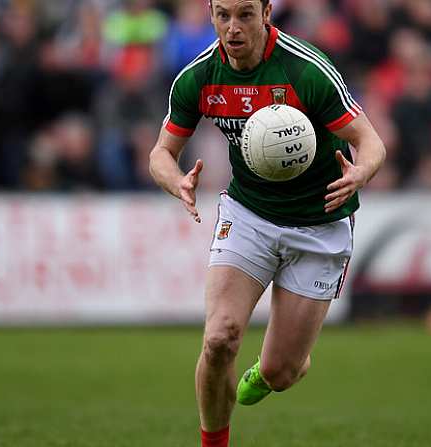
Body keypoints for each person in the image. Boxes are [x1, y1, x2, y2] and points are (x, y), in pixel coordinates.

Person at [148, 1, 386, 446]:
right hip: (249, 214)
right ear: (210, 13)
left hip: (321, 224)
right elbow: (160, 153)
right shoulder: (199, 76)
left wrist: (360, 172)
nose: (233, 28)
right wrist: (176, 181)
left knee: (281, 371)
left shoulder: (305, 71)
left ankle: (282, 363)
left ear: (266, 12)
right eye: (223, 15)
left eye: (244, 15)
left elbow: (370, 142)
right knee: (220, 338)